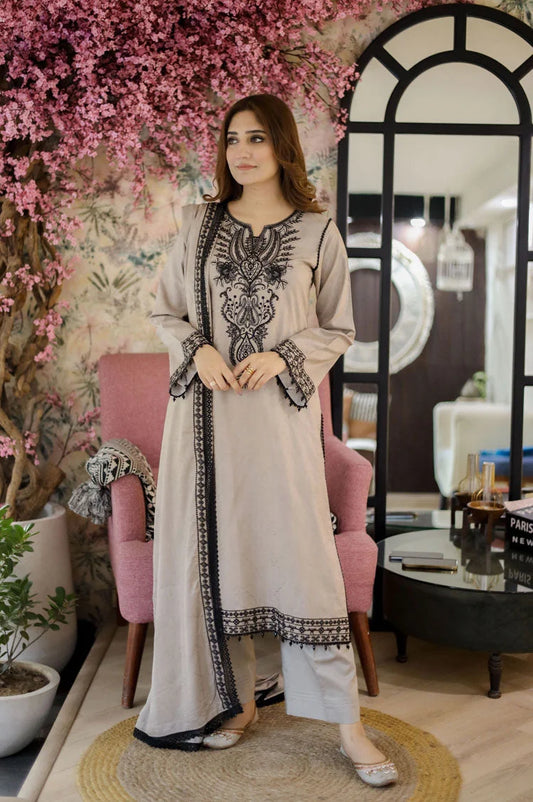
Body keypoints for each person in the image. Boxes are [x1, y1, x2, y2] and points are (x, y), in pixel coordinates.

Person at [133, 93, 398, 788]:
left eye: (255, 138)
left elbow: (339, 327)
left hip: (278, 424)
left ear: (282, 146)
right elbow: (164, 309)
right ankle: (235, 703)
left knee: (301, 560)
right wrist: (198, 348)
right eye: (230, 139)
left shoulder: (316, 231)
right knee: (216, 554)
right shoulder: (199, 225)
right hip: (206, 419)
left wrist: (282, 357)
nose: (241, 151)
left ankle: (347, 726)